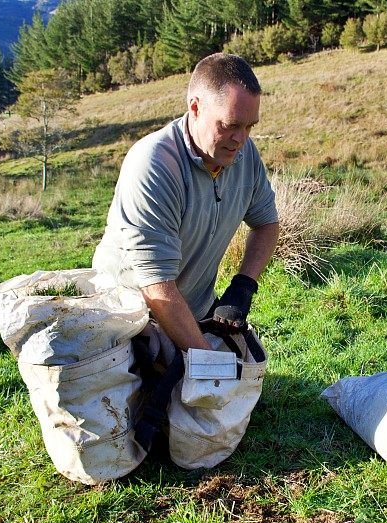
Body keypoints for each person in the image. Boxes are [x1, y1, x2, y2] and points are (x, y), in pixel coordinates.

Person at [92, 53, 280, 351]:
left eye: (249, 126)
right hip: (131, 315)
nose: (240, 138)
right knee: (163, 393)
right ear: (195, 108)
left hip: (193, 305)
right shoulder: (154, 163)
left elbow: (267, 223)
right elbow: (156, 286)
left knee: (236, 374)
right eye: (230, 125)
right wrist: (208, 363)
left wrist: (243, 286)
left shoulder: (244, 153)